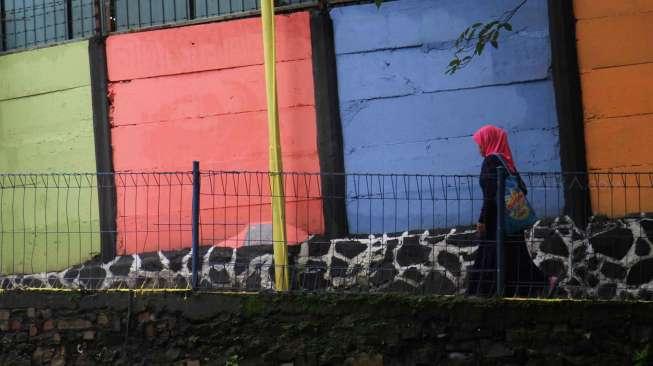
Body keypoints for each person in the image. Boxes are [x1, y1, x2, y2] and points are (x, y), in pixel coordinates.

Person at [466, 125, 557, 297]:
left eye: (479, 143)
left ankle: (483, 295)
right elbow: (522, 188)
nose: (478, 147)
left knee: (493, 257)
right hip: (512, 219)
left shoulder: (490, 161)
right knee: (516, 257)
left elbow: (490, 195)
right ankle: (542, 284)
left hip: (497, 222)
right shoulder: (505, 160)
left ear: (488, 141)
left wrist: (482, 220)